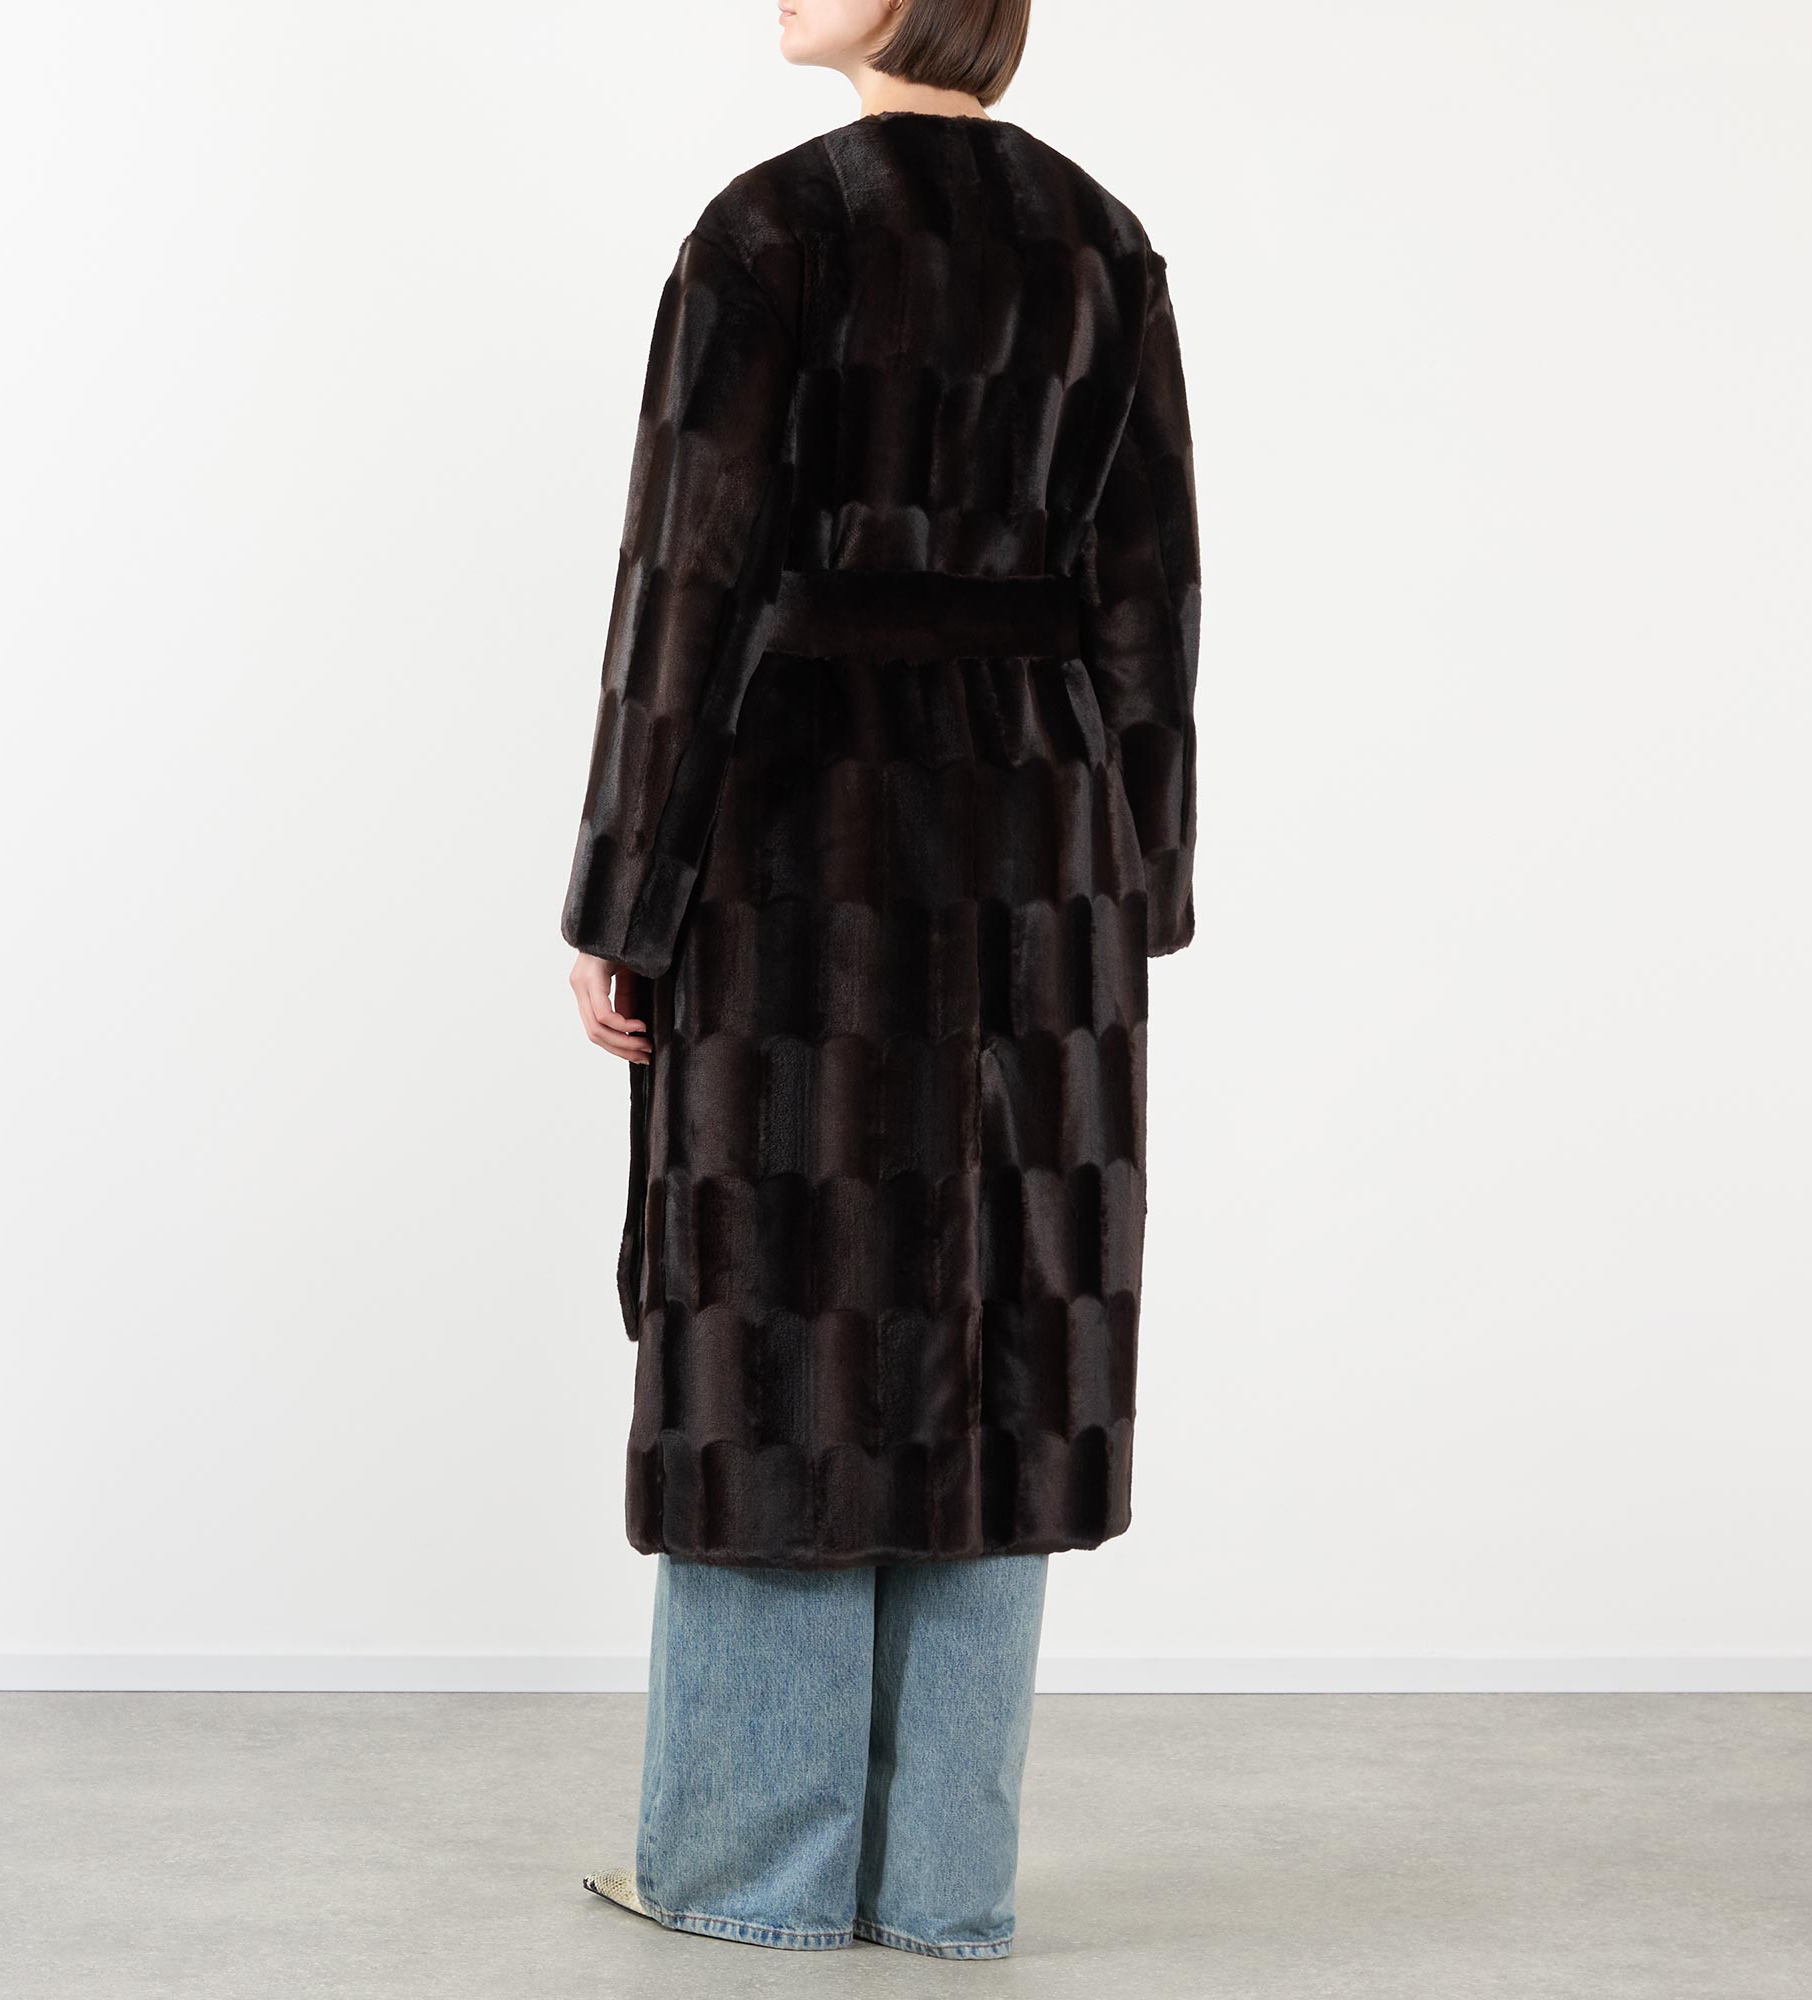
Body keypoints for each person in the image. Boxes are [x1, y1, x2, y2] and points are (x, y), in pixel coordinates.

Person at [562, 0, 1199, 1960]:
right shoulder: (1097, 242)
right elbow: (1152, 599)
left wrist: (623, 894)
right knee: (1001, 1338)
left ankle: (753, 1874)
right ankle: (938, 1883)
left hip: (801, 839)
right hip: (1040, 853)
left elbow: (685, 586)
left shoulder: (768, 235)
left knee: (782, 1321)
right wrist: (1139, 882)